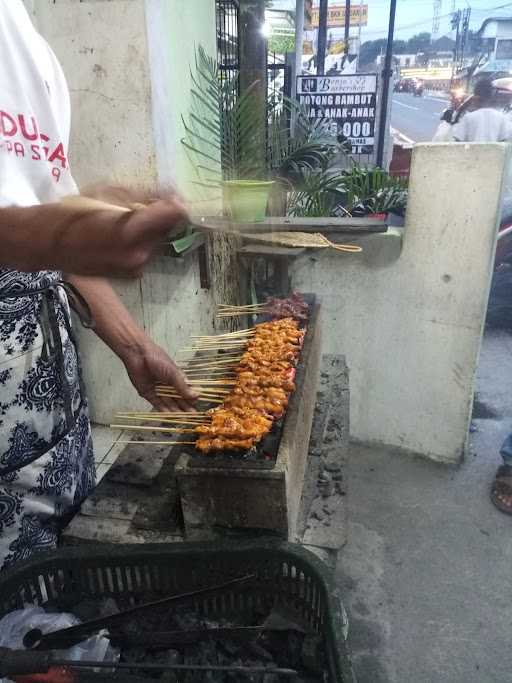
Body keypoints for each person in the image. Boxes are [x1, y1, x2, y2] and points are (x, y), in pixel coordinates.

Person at [0, 1, 197, 568]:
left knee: (58, 588)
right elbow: (44, 234)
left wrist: (135, 347)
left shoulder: (27, 42)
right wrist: (54, 235)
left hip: (48, 388)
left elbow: (47, 225)